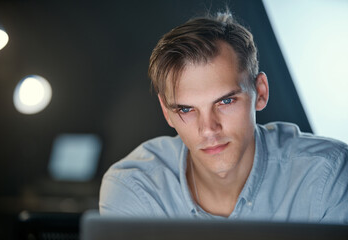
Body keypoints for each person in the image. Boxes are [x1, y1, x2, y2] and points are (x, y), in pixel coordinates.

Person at [99, 8, 348, 223]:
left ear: (260, 92)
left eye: (225, 101)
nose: (208, 129)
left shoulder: (326, 176)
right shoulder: (135, 187)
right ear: (167, 112)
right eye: (186, 109)